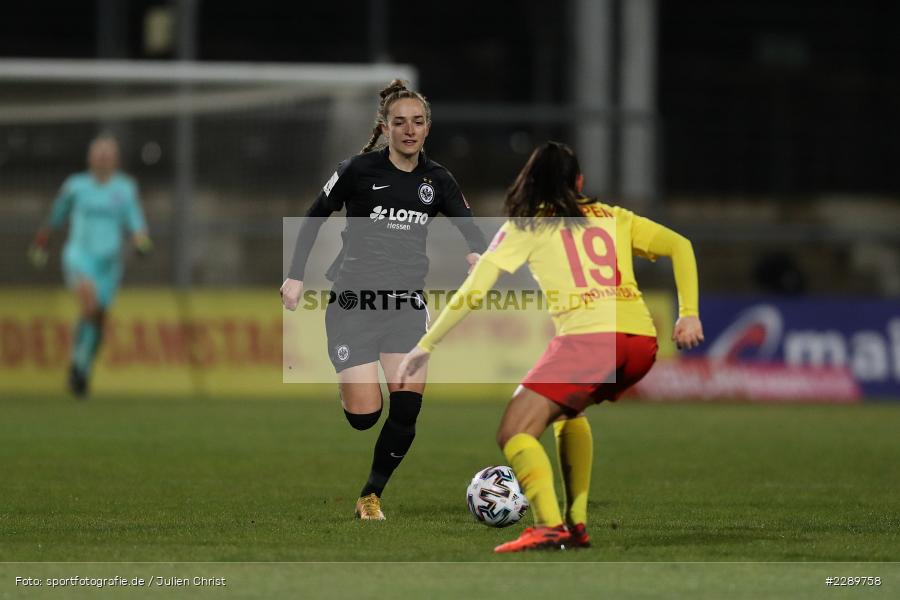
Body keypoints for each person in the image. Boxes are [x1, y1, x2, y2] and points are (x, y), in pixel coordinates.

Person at [398, 141, 704, 552]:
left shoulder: (528, 225)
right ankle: (575, 525)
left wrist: (426, 344)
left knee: (515, 430)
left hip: (592, 339)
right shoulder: (614, 216)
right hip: (639, 342)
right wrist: (688, 313)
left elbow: (475, 290)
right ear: (578, 181)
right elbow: (680, 245)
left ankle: (549, 525)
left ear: (531, 181)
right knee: (566, 411)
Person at [280, 80, 486, 521]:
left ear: (428, 128)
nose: (409, 130)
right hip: (353, 304)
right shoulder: (357, 170)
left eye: (417, 122)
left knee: (407, 407)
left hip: (405, 306)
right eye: (399, 122)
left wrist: (476, 252)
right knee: (364, 417)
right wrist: (295, 277)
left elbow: (471, 228)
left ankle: (371, 495)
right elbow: (315, 216)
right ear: (385, 127)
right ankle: (351, 389)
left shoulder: (438, 180)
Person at [29, 134, 152, 397]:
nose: (103, 158)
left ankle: (82, 367)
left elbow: (135, 221)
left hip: (109, 263)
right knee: (88, 301)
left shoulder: (125, 189)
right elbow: (56, 215)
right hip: (79, 256)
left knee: (98, 317)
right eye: (99, 153)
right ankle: (77, 363)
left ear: (116, 159)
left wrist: (141, 240)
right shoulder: (76, 186)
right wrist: (42, 241)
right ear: (90, 157)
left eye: (108, 154)